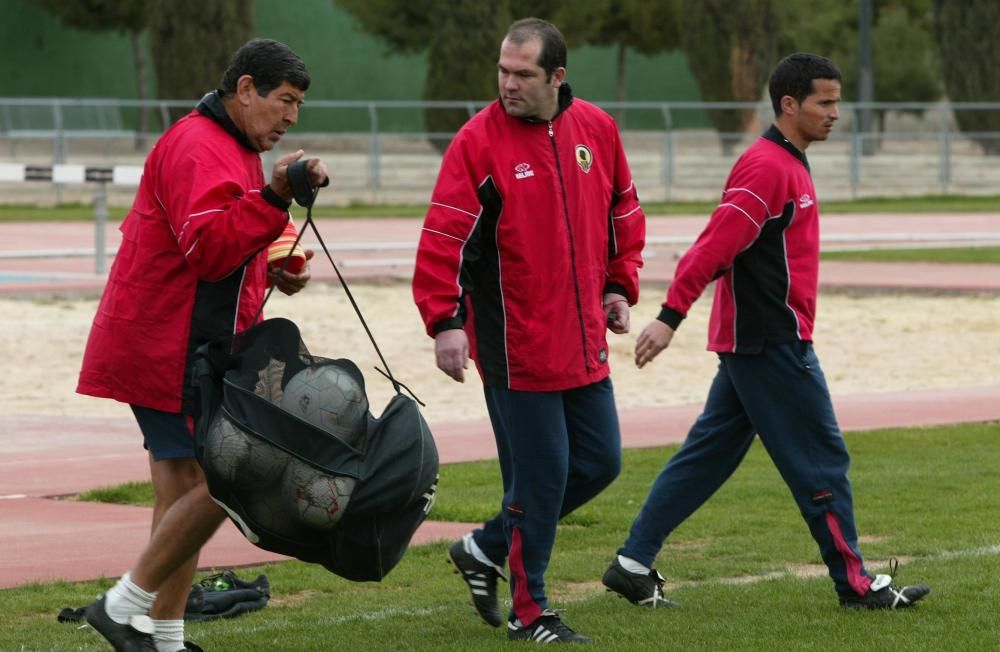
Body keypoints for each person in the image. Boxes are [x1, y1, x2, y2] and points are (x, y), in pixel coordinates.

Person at [601, 53, 930, 611]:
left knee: (706, 457)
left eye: (836, 100)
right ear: (789, 104)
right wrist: (669, 316)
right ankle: (855, 583)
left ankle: (632, 565)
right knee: (821, 460)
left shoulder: (789, 162)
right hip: (771, 343)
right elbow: (713, 246)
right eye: (824, 101)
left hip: (755, 344)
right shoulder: (768, 168)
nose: (835, 112)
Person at [76, 38, 328, 652]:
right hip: (168, 346)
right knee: (226, 480)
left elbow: (232, 246)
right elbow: (209, 248)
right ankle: (121, 606)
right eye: (284, 101)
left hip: (186, 342)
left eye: (298, 104)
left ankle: (161, 634)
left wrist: (276, 266)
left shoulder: (233, 144)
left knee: (183, 490)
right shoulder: (197, 145)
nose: (291, 116)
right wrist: (274, 198)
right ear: (246, 90)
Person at [412, 17, 645, 644]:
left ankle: (484, 548)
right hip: (516, 346)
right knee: (539, 481)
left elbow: (623, 210)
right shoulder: (476, 142)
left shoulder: (596, 129)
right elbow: (443, 239)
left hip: (585, 338)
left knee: (600, 463)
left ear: (557, 77)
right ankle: (530, 611)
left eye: (522, 74)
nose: (507, 85)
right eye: (502, 72)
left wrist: (620, 286)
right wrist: (445, 321)